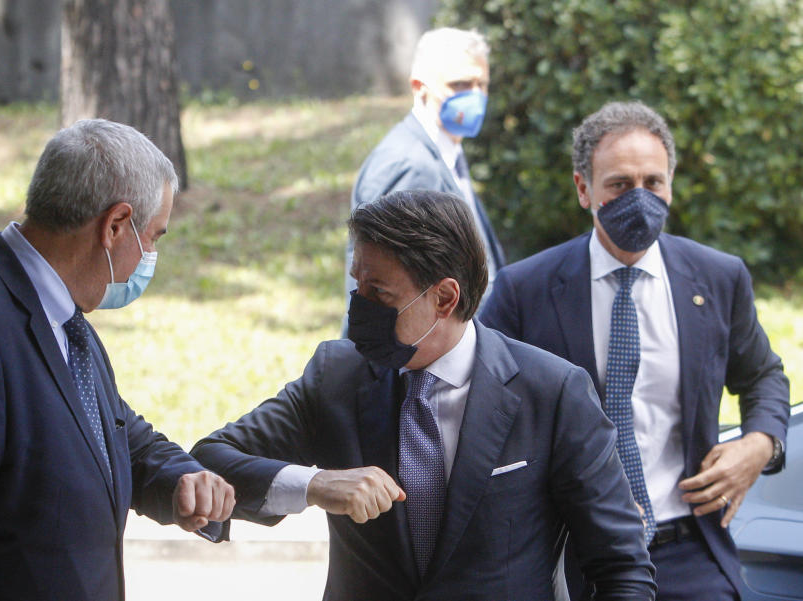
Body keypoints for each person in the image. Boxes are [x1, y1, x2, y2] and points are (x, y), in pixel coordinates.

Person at [193, 190, 656, 600]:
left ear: (445, 298)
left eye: (380, 292)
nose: (360, 305)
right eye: (357, 286)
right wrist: (313, 485)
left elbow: (621, 566)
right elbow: (209, 462)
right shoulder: (338, 376)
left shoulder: (551, 392)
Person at [0, 119, 236, 601]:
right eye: (153, 237)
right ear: (115, 226)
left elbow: (114, 435)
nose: (151, 255)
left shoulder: (65, 319)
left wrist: (182, 479)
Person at [481, 101, 790, 600]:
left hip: (689, 549)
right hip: (573, 558)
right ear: (584, 189)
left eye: (654, 182)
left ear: (671, 184)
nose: (640, 199)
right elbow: (480, 409)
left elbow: (762, 377)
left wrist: (760, 445)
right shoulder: (525, 289)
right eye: (620, 185)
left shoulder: (717, 278)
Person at [345, 27, 505, 319]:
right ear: (420, 87)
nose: (476, 97)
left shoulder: (448, 151)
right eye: (460, 85)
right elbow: (387, 297)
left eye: (482, 84)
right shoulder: (411, 167)